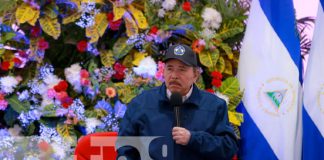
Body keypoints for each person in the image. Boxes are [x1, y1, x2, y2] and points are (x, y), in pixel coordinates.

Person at [117, 44, 238, 160]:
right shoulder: (141, 104)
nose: (174, 75)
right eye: (170, 69)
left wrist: (193, 139)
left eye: (182, 70)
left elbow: (228, 148)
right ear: (163, 72)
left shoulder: (214, 106)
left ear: (195, 75)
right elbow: (125, 148)